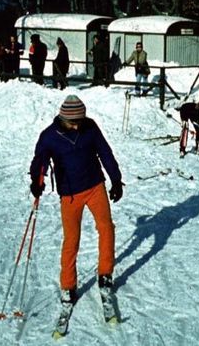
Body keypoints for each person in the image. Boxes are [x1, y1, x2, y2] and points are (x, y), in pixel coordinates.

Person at [29, 95, 124, 320]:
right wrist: (36, 179)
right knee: (72, 240)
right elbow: (39, 160)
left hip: (94, 186)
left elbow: (105, 152)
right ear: (63, 118)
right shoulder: (50, 136)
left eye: (79, 121)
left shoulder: (89, 127)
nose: (76, 125)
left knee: (106, 228)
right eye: (73, 122)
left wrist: (116, 179)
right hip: (69, 194)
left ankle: (105, 274)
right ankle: (68, 286)